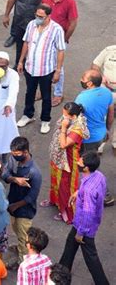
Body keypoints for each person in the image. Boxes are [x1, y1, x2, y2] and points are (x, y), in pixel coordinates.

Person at [59, 152, 110, 285]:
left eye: (81, 161)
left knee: (90, 257)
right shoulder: (98, 176)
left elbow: (87, 213)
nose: (78, 162)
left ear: (86, 167)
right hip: (85, 224)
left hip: (83, 227)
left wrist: (80, 233)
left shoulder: (88, 190)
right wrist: (78, 193)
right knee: (70, 246)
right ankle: (60, 274)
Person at [16, 4, 66, 134]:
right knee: (29, 93)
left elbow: (61, 50)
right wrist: (21, 61)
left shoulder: (56, 29)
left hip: (46, 69)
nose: (38, 18)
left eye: (41, 16)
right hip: (30, 67)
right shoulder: (32, 24)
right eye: (36, 15)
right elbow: (26, 43)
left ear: (48, 16)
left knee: (46, 96)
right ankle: (28, 115)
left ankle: (45, 120)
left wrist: (58, 70)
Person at [43, 102, 89, 223]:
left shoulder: (77, 129)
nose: (63, 116)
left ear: (73, 116)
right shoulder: (70, 120)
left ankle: (68, 214)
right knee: (55, 181)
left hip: (68, 162)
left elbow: (63, 144)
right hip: (59, 158)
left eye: (65, 114)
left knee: (65, 187)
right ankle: (55, 202)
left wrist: (63, 127)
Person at [75, 69, 114, 206]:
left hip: (88, 139)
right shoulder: (107, 93)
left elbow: (76, 120)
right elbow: (110, 114)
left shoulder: (81, 98)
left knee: (88, 167)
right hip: (100, 134)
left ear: (90, 83)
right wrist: (107, 130)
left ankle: (105, 196)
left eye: (83, 77)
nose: (81, 79)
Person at [1, 137, 42, 263]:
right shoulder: (12, 159)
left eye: (17, 153)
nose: (14, 155)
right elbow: (5, 174)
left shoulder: (34, 172)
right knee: (17, 230)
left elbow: (32, 197)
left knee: (25, 239)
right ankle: (20, 248)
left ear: (26, 151)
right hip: (12, 203)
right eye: (13, 153)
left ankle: (22, 263)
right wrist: (15, 180)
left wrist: (15, 206)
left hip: (24, 211)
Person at [41, 0, 79, 106]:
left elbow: (73, 22)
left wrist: (65, 38)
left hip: (59, 37)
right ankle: (43, 89)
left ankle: (58, 93)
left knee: (58, 67)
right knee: (43, 63)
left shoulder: (70, 1)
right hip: (44, 33)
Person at [2, 0, 50, 64]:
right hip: (19, 20)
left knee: (33, 45)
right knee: (19, 44)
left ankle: (30, 64)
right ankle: (18, 63)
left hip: (35, 23)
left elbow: (47, 7)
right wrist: (6, 15)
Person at [92, 45, 116, 152]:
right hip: (106, 90)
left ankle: (115, 144)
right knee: (103, 117)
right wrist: (101, 76)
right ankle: (100, 144)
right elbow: (95, 65)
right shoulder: (109, 50)